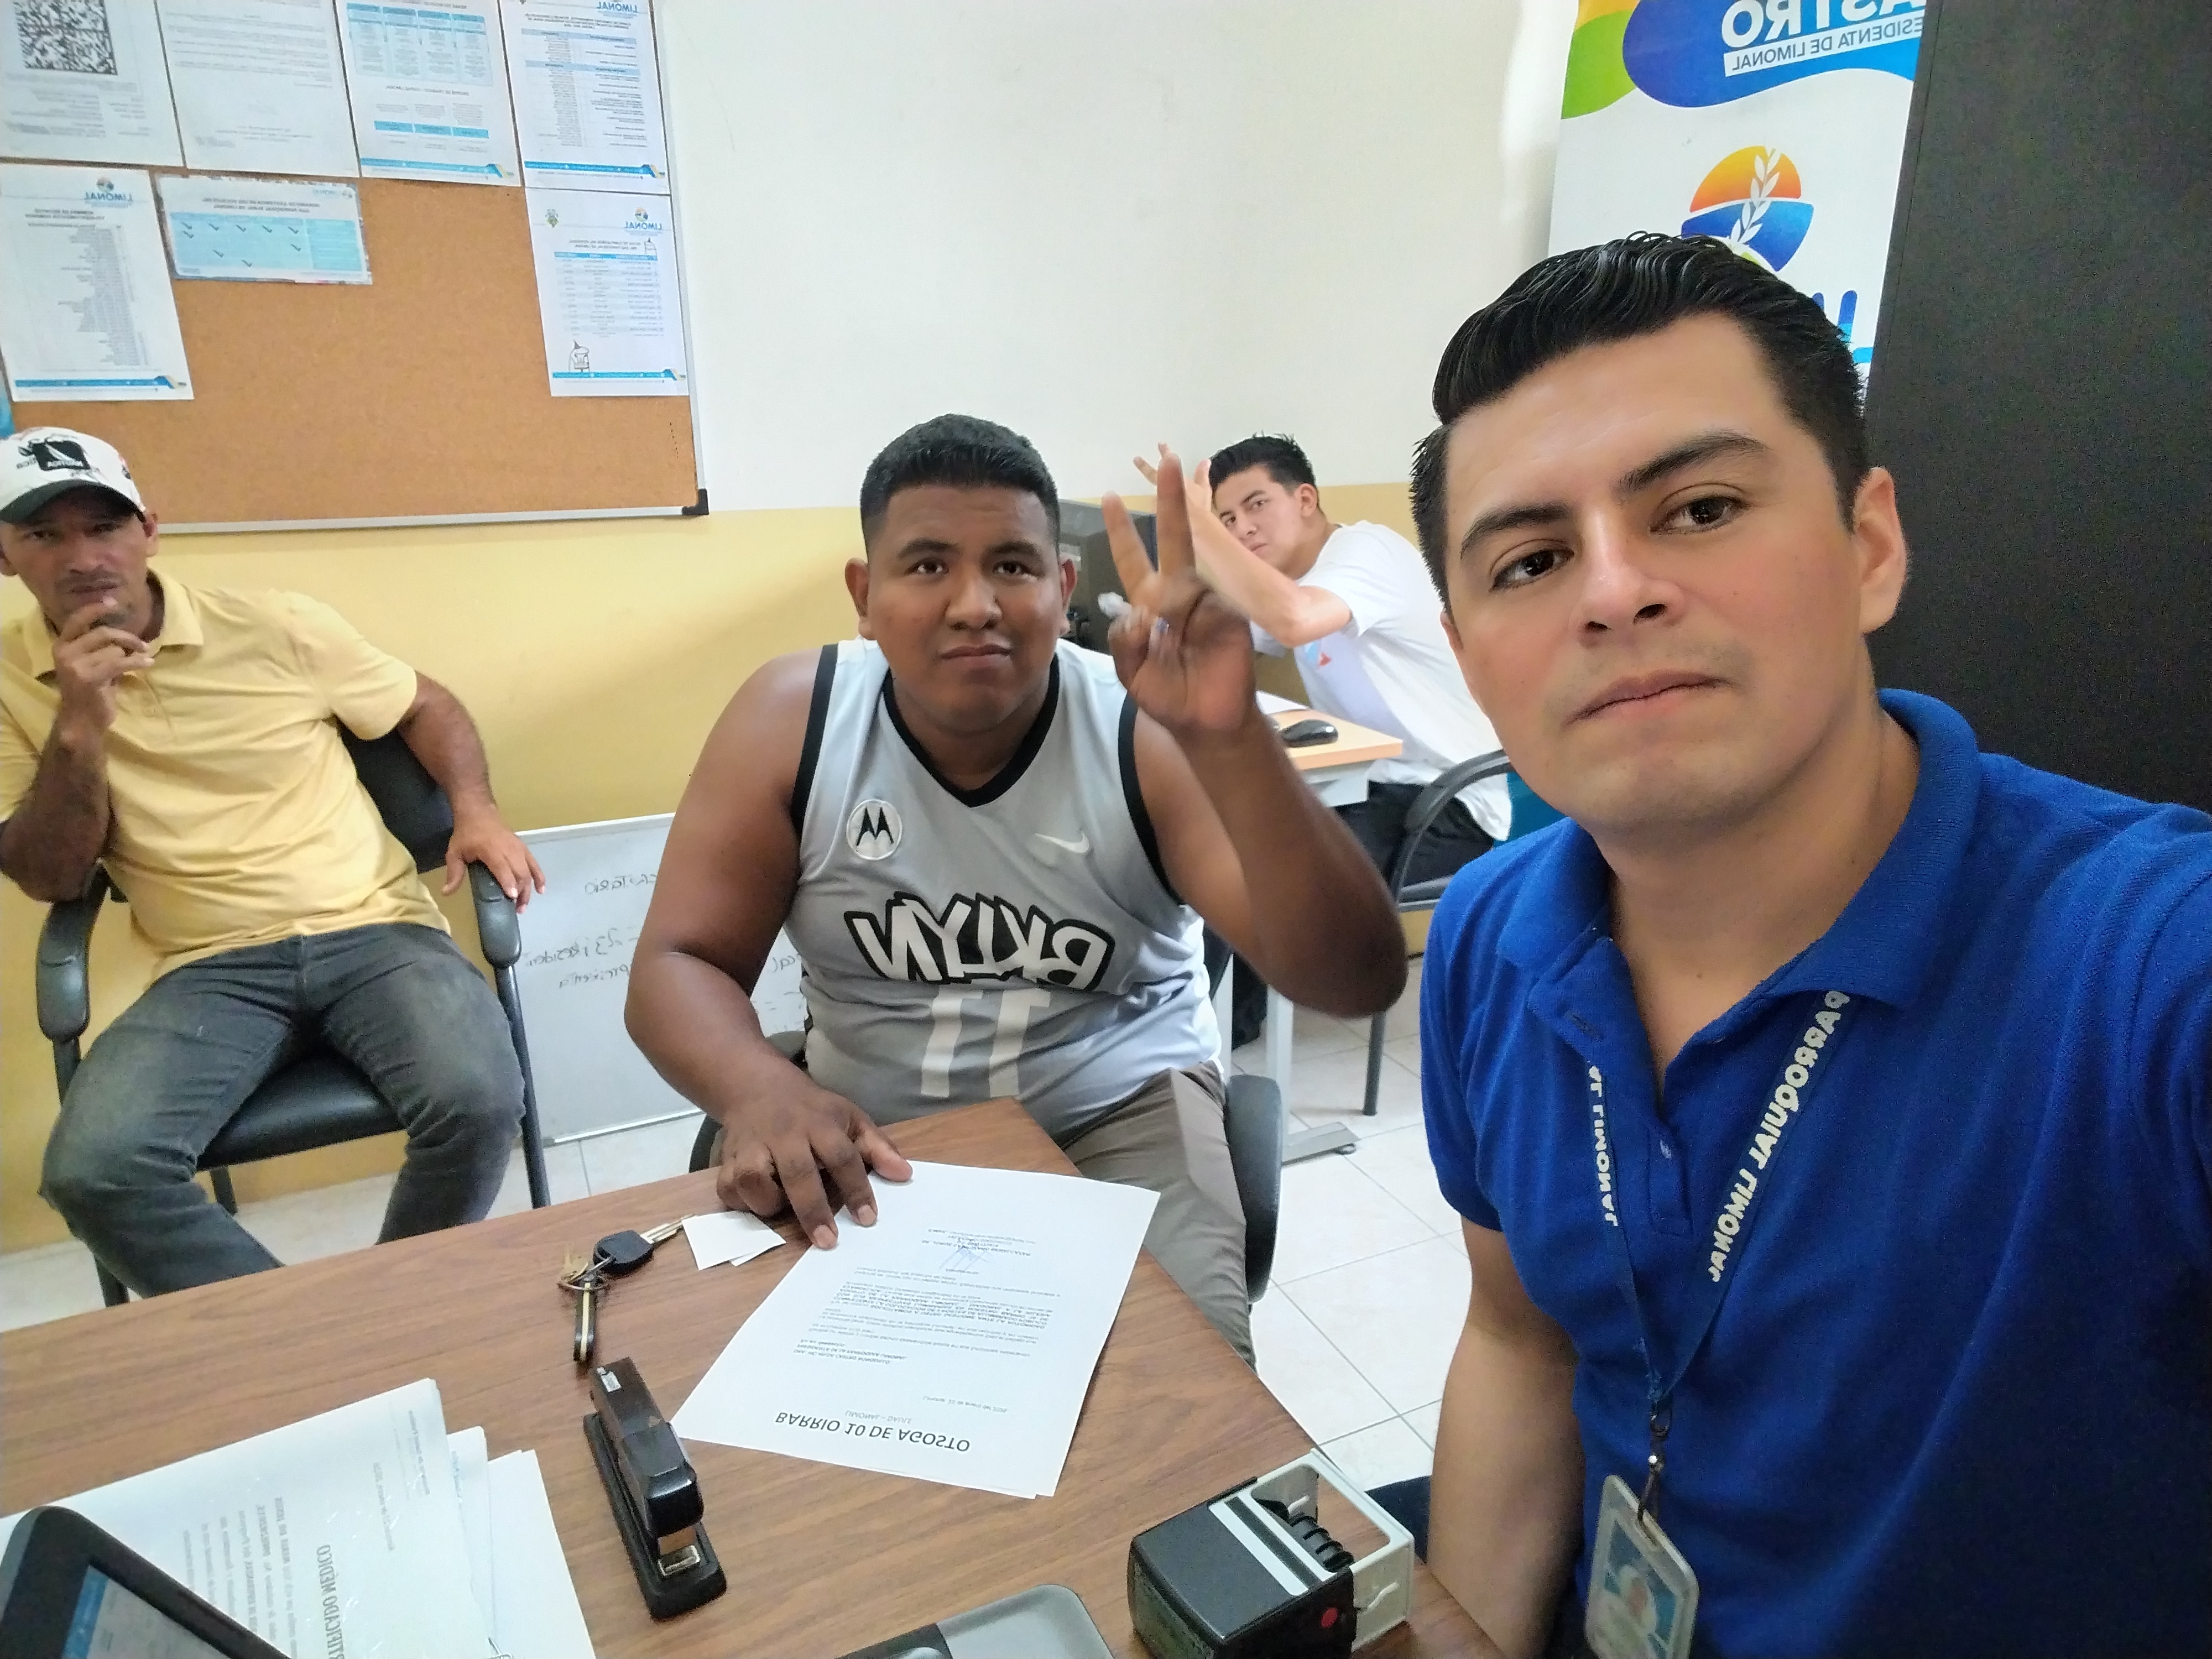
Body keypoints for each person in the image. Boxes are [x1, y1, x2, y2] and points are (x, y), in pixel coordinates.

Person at [1408, 234, 2211, 1657]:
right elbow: (1518, 1342)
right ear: (1470, 657)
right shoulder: (1485, 931)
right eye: (1530, 561)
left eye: (1700, 508)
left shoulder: (2137, 963)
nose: (1612, 591)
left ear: (1868, 545)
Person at [626, 414, 1406, 1361]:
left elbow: (1354, 978)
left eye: (1011, 566)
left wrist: (1238, 737)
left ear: (1063, 589)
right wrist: (758, 1088)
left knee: (1177, 1394)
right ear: (864, 596)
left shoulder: (1145, 726)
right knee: (784, 1395)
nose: (974, 605)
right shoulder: (793, 719)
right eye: (927, 567)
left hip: (1120, 1109)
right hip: (867, 1123)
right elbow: (678, 962)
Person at [0, 427, 545, 1297]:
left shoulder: (277, 626)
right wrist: (77, 726)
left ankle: (381, 1318)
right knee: (94, 1172)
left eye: (104, 526)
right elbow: (52, 878)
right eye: (43, 535)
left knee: (479, 1103)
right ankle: (304, 1337)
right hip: (206, 967)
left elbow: (425, 703)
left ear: (149, 530)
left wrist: (476, 811)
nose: (83, 558)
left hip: (376, 932)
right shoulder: (5, 684)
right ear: (5, 558)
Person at [1140, 435, 1510, 1046]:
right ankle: (1199, 1021)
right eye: (1227, 518)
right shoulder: (1291, 581)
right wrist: (1178, 554)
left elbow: (1293, 620)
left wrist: (1202, 527)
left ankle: (1204, 1039)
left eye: (1256, 506)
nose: (1243, 528)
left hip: (1446, 801)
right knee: (1214, 835)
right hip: (1369, 785)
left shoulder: (1365, 553)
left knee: (1263, 873)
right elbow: (1214, 637)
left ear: (1305, 500)